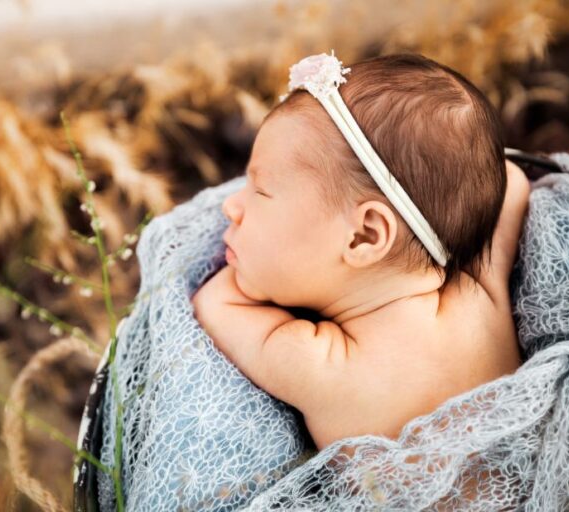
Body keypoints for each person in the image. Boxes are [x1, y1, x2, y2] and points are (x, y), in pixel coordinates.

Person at [191, 52, 529, 452]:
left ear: (364, 236)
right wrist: (450, 177)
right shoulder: (479, 297)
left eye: (260, 192)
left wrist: (255, 266)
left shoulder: (326, 368)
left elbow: (216, 304)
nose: (230, 206)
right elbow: (513, 180)